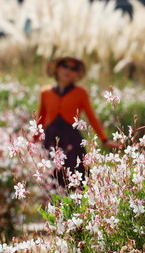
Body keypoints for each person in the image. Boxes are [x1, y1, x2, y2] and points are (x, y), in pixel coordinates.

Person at [37, 56, 120, 186]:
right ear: (57, 69)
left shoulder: (81, 92)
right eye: (64, 66)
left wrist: (104, 139)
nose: (68, 70)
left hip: (72, 138)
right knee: (52, 176)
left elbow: (92, 117)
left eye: (73, 68)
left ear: (77, 74)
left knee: (78, 176)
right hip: (51, 138)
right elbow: (40, 118)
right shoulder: (45, 92)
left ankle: (76, 205)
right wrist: (33, 139)